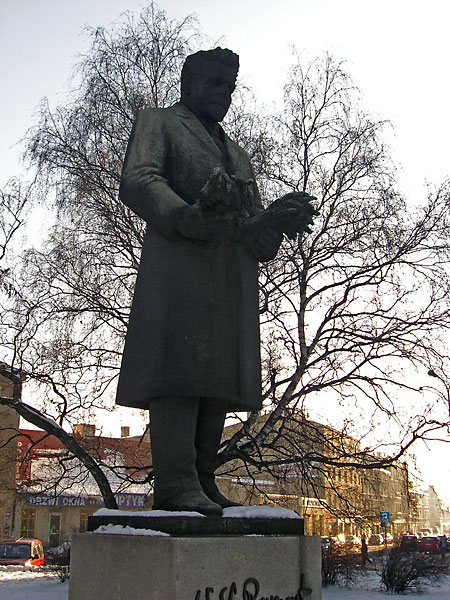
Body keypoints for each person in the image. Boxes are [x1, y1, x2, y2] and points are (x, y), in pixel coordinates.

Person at [115, 48, 316, 515]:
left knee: (217, 379)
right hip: (179, 268)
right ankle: (175, 483)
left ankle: (203, 478)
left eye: (230, 86)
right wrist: (183, 215)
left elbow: (251, 225)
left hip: (230, 280)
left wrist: (272, 226)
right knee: (179, 372)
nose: (224, 94)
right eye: (215, 84)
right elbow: (139, 180)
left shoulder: (238, 153)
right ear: (190, 83)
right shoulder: (159, 122)